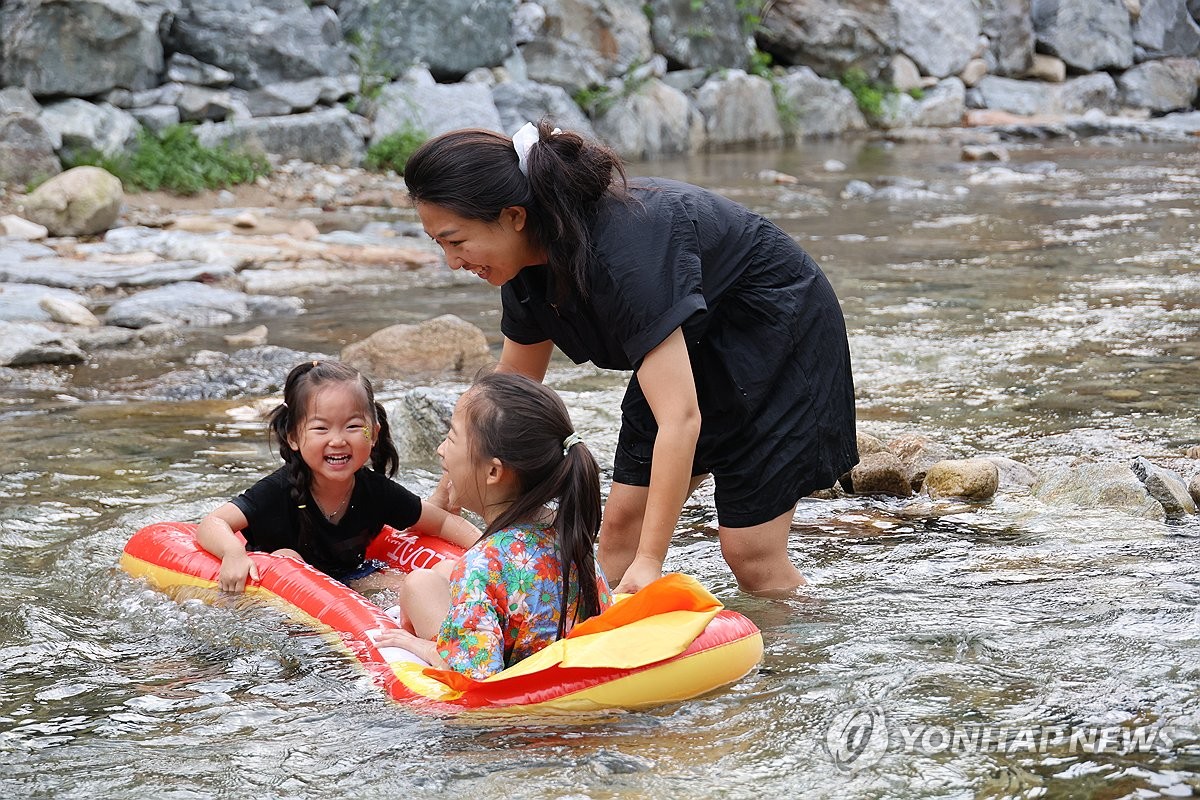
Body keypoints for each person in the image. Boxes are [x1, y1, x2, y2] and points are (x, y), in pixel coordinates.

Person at [402, 119, 858, 596]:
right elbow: (511, 390)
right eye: (441, 245)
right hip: (689, 341)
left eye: (457, 242)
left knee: (749, 553)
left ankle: (797, 656)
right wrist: (451, 487)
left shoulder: (625, 254)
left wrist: (651, 562)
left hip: (776, 337)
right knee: (618, 531)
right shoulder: (524, 264)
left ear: (514, 216)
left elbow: (678, 419)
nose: (453, 262)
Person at [374, 372, 612, 678]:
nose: (440, 450)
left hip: (518, 696)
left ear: (493, 472)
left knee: (420, 583)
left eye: (451, 437)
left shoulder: (482, 565)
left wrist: (421, 647)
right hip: (568, 670)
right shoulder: (568, 530)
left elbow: (474, 676)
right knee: (439, 573)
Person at [197, 360, 480, 594]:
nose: (338, 440)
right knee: (288, 557)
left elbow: (440, 521)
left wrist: (488, 548)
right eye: (321, 428)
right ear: (294, 437)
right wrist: (233, 553)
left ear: (374, 433)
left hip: (348, 578)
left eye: (353, 426)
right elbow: (214, 521)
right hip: (281, 582)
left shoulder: (376, 491)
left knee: (409, 586)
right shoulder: (278, 489)